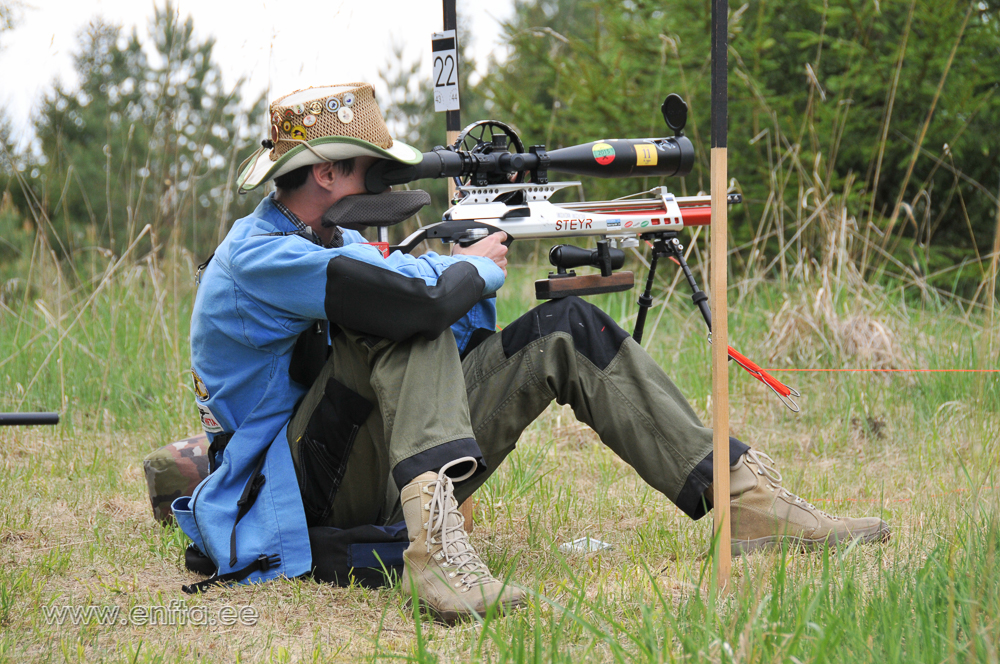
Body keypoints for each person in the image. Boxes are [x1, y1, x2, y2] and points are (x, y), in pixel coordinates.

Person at [173, 83, 890, 623]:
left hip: (374, 456)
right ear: (325, 175)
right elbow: (413, 310)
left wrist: (470, 258)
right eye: (374, 173)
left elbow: (452, 343)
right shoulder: (259, 256)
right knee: (401, 323)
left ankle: (749, 503)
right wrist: (473, 266)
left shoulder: (339, 240)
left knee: (567, 327)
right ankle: (436, 559)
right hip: (297, 493)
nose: (388, 187)